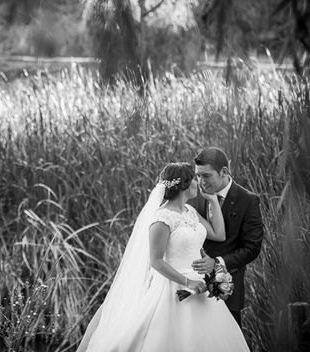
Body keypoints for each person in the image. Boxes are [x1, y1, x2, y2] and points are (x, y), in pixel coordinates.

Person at [76, 162, 250, 352]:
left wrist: (213, 201)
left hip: (201, 287)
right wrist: (187, 282)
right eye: (194, 178)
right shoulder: (162, 218)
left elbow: (218, 234)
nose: (198, 183)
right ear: (183, 184)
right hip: (173, 287)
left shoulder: (189, 212)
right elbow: (156, 261)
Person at [190, 147, 264, 328]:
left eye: (206, 176)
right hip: (192, 288)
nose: (201, 181)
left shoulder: (248, 200)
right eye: (198, 176)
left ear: (224, 172)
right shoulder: (191, 195)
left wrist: (217, 262)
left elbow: (251, 248)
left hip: (226, 289)